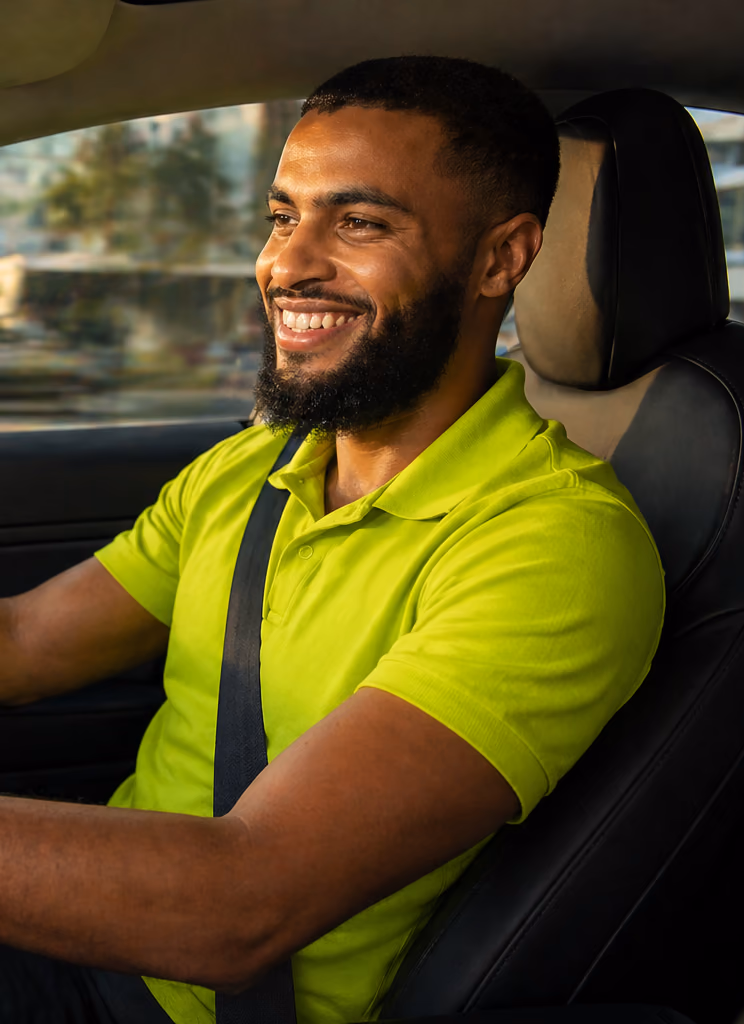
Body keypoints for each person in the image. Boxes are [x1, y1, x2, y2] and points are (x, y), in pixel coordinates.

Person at [0, 56, 664, 1024]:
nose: (286, 264)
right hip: (77, 926)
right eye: (283, 216)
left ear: (501, 260)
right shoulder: (255, 467)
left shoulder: (555, 547)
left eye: (359, 223)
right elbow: (24, 642)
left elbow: (239, 903)